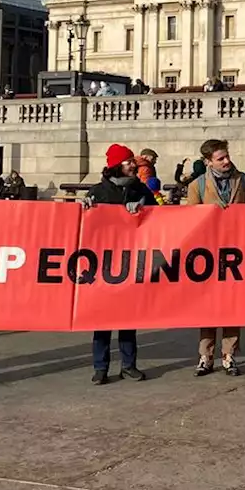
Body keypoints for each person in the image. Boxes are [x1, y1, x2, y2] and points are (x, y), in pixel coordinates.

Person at [184, 139, 245, 376]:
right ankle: (205, 356)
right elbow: (190, 221)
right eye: (220, 158)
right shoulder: (197, 185)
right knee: (207, 307)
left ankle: (229, 355)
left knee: (232, 305)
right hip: (208, 255)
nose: (227, 161)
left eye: (227, 156)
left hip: (236, 253)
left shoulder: (244, 180)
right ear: (208, 161)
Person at [82, 144, 152, 385]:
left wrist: (144, 210)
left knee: (127, 320)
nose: (133, 165)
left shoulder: (140, 190)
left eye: (133, 161)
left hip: (130, 262)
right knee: (102, 321)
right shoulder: (98, 191)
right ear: (116, 166)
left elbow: (159, 216)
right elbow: (83, 226)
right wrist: (84, 209)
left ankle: (128, 365)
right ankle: (100, 367)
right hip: (103, 263)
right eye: (128, 162)